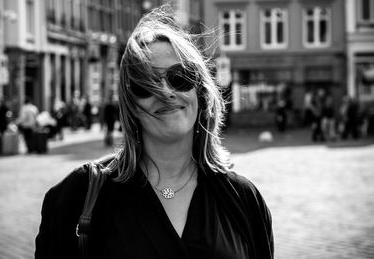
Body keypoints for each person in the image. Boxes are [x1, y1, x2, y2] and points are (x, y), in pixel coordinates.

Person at [35, 6, 273, 259]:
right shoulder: (78, 195)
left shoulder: (243, 199)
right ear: (131, 105)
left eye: (179, 77)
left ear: (200, 93)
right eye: (144, 85)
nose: (165, 93)